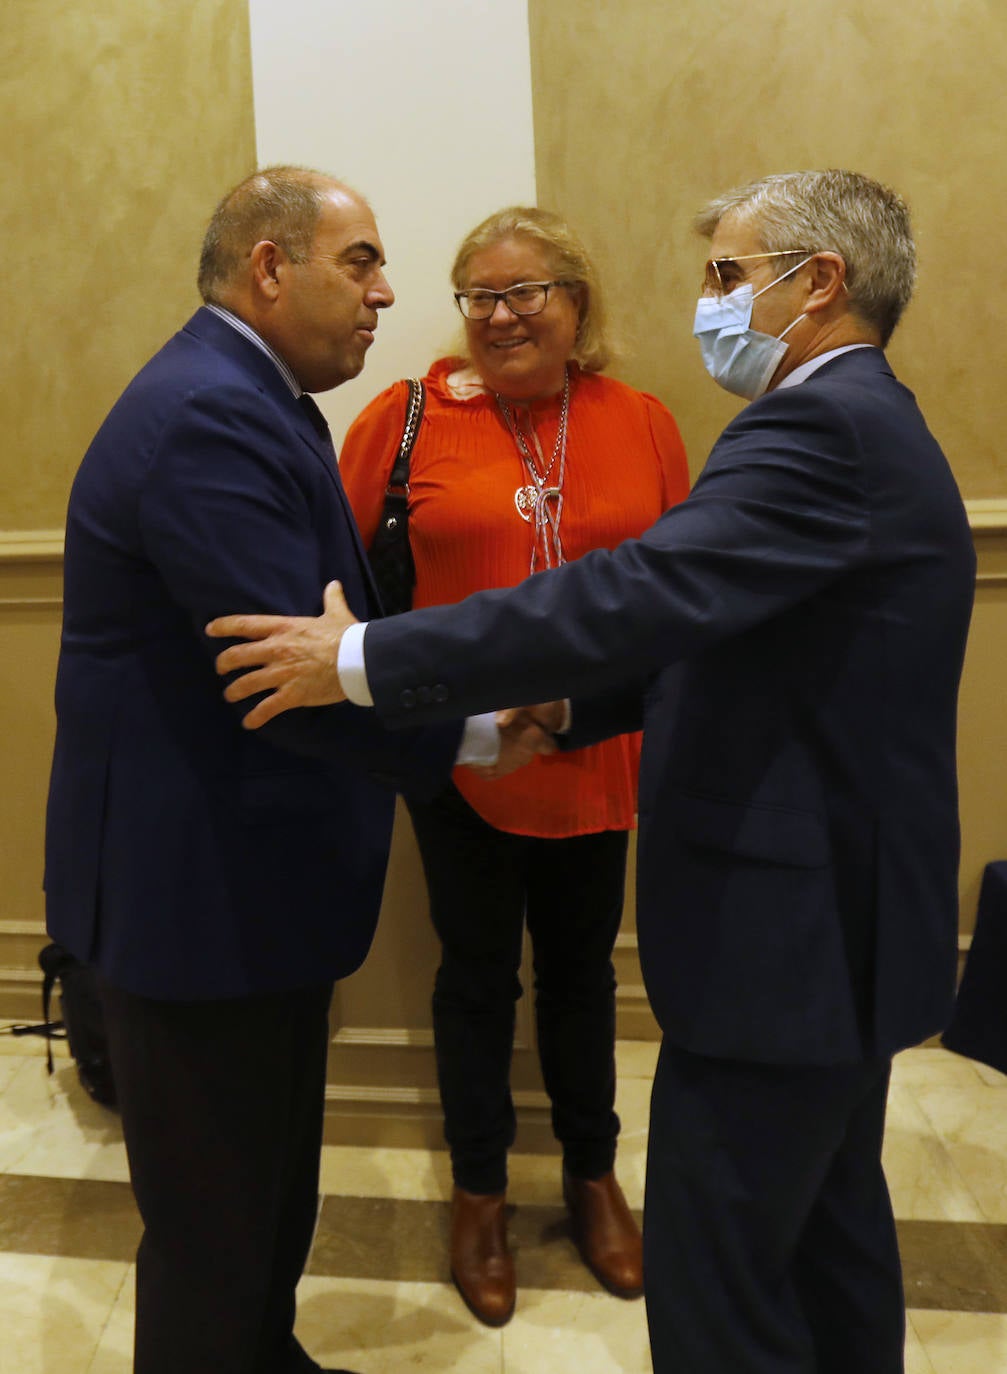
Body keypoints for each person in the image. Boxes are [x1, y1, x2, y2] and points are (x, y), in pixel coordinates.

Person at [208, 168, 977, 1374]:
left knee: (725, 1277)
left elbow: (641, 594)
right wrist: (568, 708)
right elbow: (731, 644)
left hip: (785, 939)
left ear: (818, 283)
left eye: (728, 276)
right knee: (824, 1243)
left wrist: (360, 657)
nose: (709, 304)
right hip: (837, 926)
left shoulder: (816, 426)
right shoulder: (868, 419)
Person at [43, 164, 548, 1374]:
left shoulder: (258, 398)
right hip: (197, 905)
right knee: (215, 1239)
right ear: (269, 267)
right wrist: (474, 733)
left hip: (248, 898)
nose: (385, 293)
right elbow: (292, 675)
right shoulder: (209, 413)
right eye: (361, 262)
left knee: (265, 1202)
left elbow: (332, 647)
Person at [337, 206, 690, 1325]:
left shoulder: (640, 421)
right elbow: (338, 589)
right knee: (475, 977)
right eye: (476, 296)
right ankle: (478, 1192)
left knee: (585, 978)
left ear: (576, 303)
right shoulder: (401, 419)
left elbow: (681, 594)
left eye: (523, 292)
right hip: (464, 763)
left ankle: (593, 1180)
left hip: (600, 757)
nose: (497, 316)